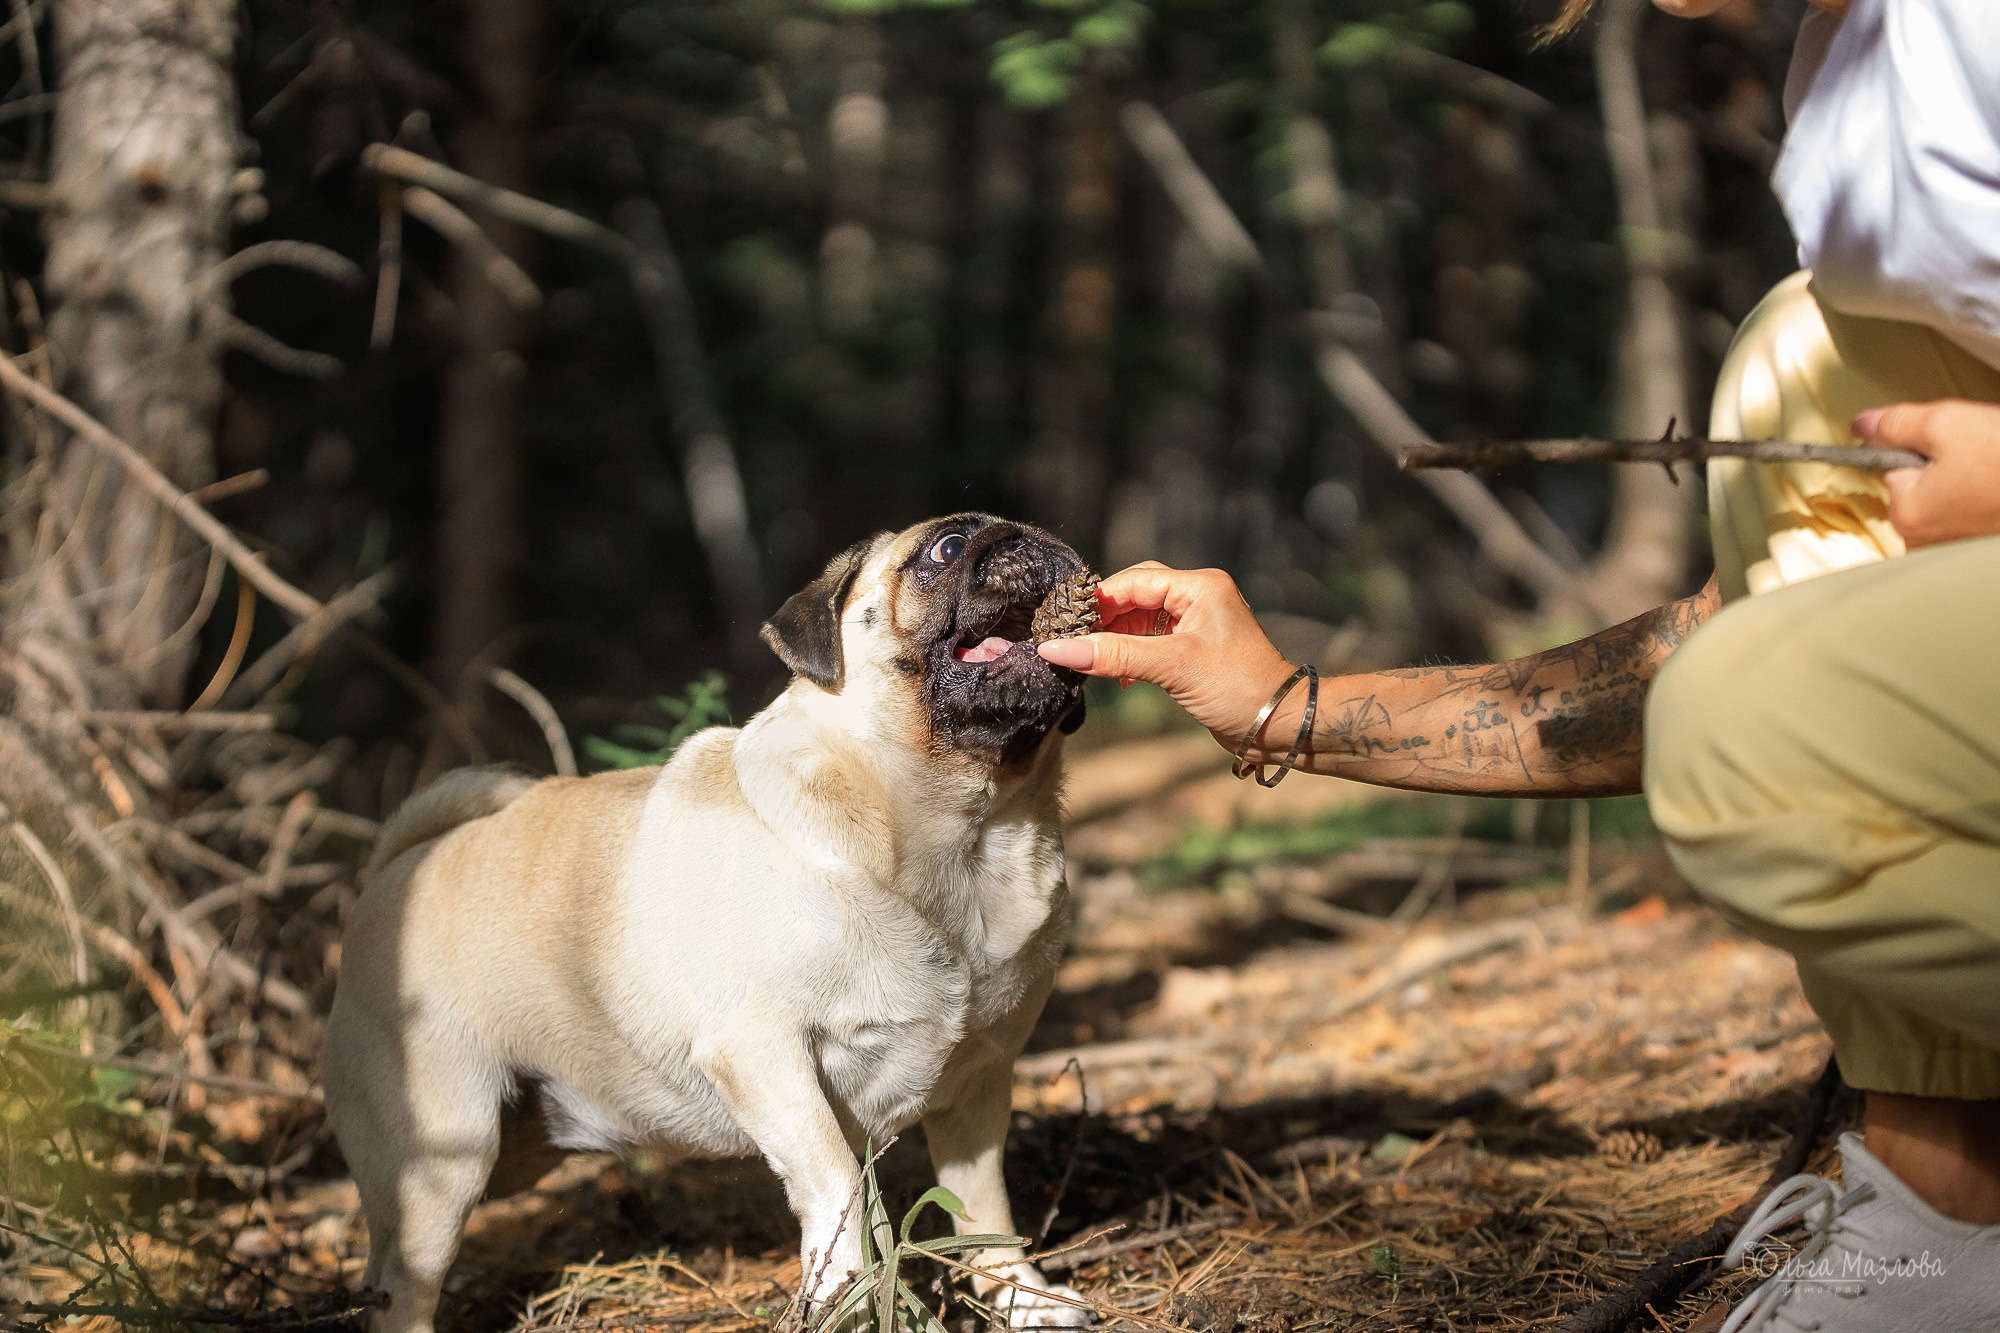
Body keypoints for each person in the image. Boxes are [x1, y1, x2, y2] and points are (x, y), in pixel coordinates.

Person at [1039, 0, 2000, 1327]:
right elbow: (1698, 658)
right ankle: (1950, 1220)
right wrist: (1282, 702)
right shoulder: (1853, 76)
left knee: (1745, 732)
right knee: (1793, 373)